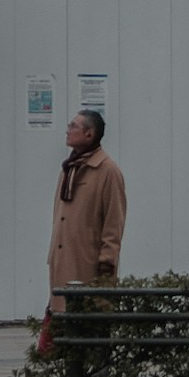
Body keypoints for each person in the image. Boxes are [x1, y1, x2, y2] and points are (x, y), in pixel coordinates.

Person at [48, 107, 127, 294]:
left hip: (87, 265)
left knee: (83, 315)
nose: (67, 130)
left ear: (89, 134)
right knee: (60, 315)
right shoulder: (69, 168)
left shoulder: (107, 170)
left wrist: (107, 263)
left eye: (73, 126)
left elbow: (114, 222)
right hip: (61, 262)